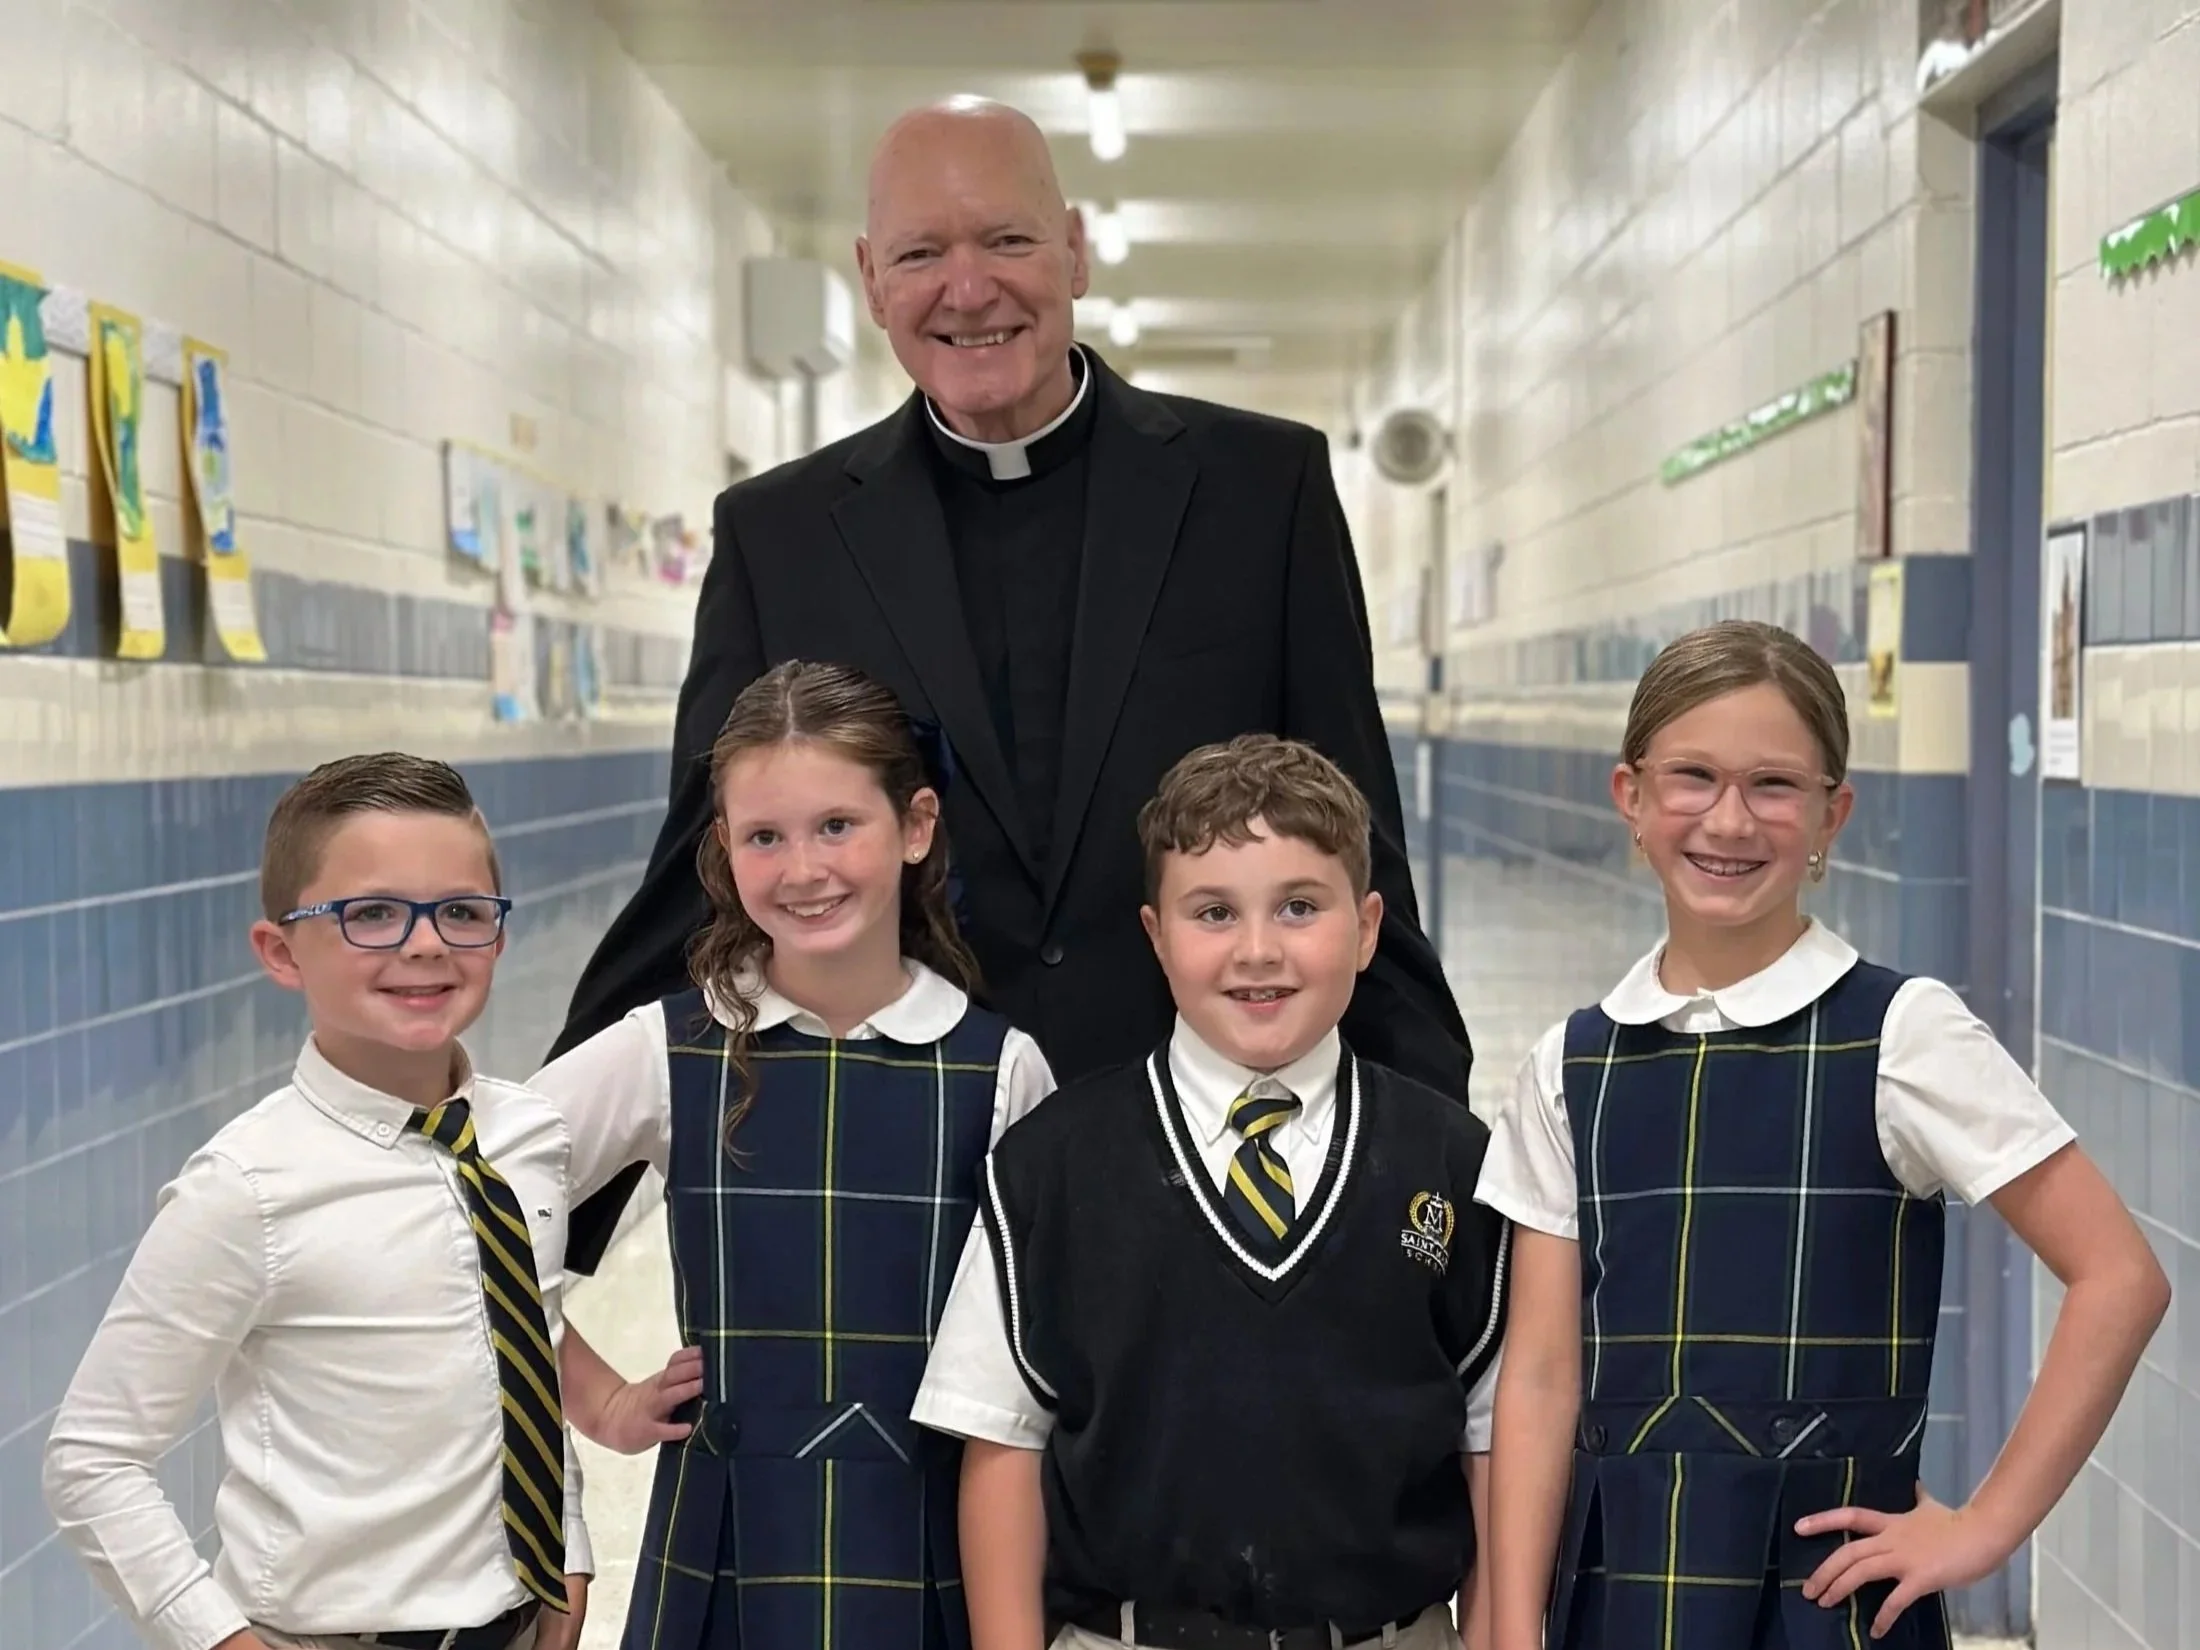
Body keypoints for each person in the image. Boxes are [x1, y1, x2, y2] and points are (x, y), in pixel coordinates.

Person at [547, 95, 1469, 1103]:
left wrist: (1428, 1167)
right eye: (919, 255)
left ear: (1074, 252)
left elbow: (1354, 827)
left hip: (1195, 1112)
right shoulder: (783, 534)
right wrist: (523, 1182)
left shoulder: (1258, 489)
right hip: (910, 1120)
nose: (968, 289)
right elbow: (703, 864)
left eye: (1007, 240)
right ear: (869, 280)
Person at [1478, 621, 2171, 1650]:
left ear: (1829, 816)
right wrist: (1508, 1619)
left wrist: (1982, 1526)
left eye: (1773, 786)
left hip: (1824, 1605)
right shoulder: (1569, 1066)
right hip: (1620, 1589)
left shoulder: (1900, 1034)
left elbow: (2119, 1277)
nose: (1729, 819)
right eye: (1692, 777)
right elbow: (1537, 1378)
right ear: (1630, 799)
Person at [914, 735, 1510, 1650]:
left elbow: (1491, 1444)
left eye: (1300, 907)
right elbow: (1001, 1444)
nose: (1258, 951)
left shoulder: (1453, 1162)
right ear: (1157, 935)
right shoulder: (1053, 1165)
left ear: (1367, 927)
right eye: (1215, 913)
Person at [529, 660, 1056, 1650]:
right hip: (729, 1542)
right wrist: (597, 1399)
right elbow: (457, 1210)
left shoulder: (1002, 1070)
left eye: (836, 827)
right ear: (722, 852)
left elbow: (1050, 1344)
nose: (803, 869)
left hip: (934, 1542)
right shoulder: (664, 1049)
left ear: (916, 826)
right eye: (764, 837)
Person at [43, 754, 590, 1650]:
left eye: (461, 911)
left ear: (498, 933)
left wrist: (570, 1555)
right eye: (371, 914)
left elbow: (526, 1362)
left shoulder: (529, 1138)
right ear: (280, 951)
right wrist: (222, 1638)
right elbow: (91, 1458)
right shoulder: (248, 1189)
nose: (425, 944)